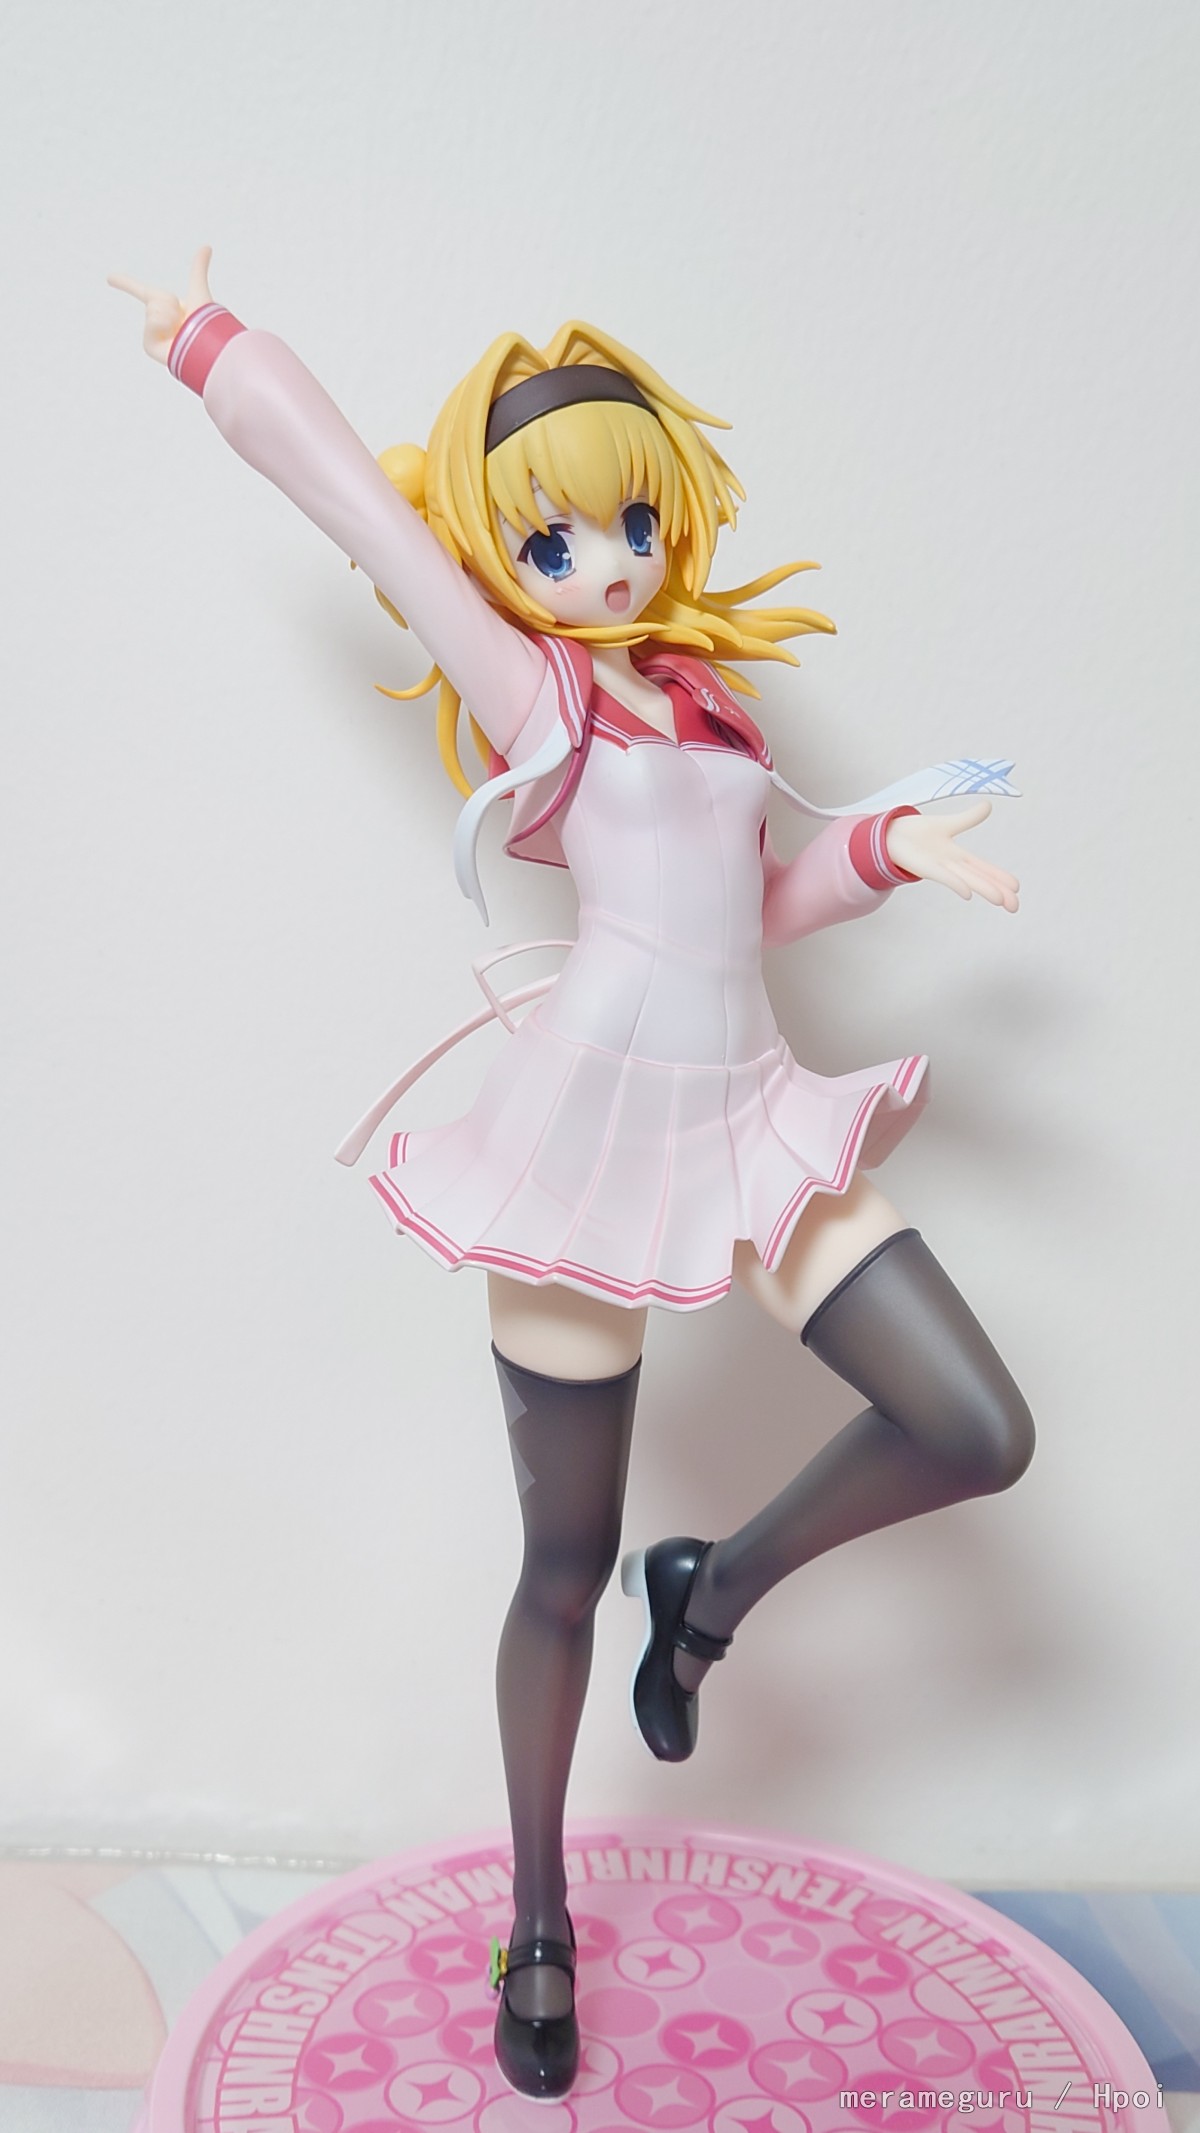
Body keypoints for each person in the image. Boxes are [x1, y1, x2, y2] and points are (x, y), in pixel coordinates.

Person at [110, 248, 1035, 2101]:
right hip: (586, 1139)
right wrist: (209, 345)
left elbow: (754, 913)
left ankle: (713, 1594)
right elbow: (360, 507)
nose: (604, 563)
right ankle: (538, 1921)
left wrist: (879, 850)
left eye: (629, 521)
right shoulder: (540, 695)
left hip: (750, 1111)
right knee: (557, 1562)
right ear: (506, 554)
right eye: (554, 539)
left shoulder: (708, 704)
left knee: (975, 1422)